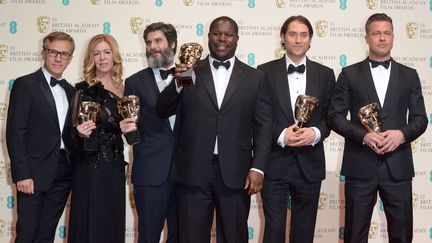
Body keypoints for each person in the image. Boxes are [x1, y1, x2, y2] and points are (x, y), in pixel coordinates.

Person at [157, 16, 272, 243]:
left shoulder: (255, 78)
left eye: (228, 34)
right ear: (208, 36)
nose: (222, 39)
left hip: (237, 173)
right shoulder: (190, 70)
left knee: (234, 237)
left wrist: (258, 168)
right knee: (190, 237)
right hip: (191, 170)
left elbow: (263, 126)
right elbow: (163, 109)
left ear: (237, 39)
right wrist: (179, 81)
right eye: (217, 33)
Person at [328, 13, 427, 243]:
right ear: (366, 37)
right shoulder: (349, 74)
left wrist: (401, 134)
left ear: (393, 37)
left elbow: (420, 119)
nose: (382, 38)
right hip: (360, 166)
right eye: (376, 33)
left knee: (402, 236)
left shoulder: (409, 75)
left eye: (387, 33)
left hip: (398, 168)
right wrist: (364, 136)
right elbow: (334, 116)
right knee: (354, 235)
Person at [257, 15, 335, 243]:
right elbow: (259, 117)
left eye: (304, 35)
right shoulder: (263, 72)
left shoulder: (326, 74)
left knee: (304, 230)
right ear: (283, 37)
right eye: (292, 34)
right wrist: (281, 135)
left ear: (310, 39)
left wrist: (315, 133)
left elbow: (332, 116)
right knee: (273, 228)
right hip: (274, 162)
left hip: (310, 163)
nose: (298, 40)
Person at [6, 31, 75, 243]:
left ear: (70, 58)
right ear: (44, 53)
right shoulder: (25, 84)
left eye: (64, 54)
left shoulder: (72, 92)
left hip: (64, 173)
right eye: (53, 52)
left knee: (47, 234)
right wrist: (22, 174)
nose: (58, 58)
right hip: (33, 174)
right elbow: (15, 132)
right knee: (27, 234)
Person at [119, 22, 179, 243]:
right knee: (148, 235)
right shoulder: (134, 82)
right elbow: (131, 129)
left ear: (171, 43)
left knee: (183, 236)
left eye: (158, 41)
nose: (152, 46)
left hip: (186, 173)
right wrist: (126, 131)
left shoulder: (191, 76)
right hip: (150, 173)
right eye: (148, 42)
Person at [68, 34, 126, 243]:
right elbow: (72, 134)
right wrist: (79, 133)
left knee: (111, 221)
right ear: (91, 58)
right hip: (91, 166)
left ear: (114, 55)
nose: (102, 58)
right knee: (91, 222)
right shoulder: (83, 90)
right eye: (97, 53)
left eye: (107, 52)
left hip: (116, 165)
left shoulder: (122, 89)